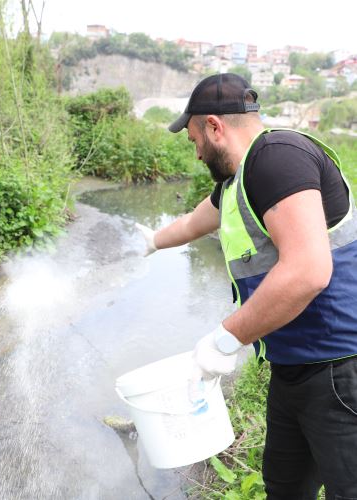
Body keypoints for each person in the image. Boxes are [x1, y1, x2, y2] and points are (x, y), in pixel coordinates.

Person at [136, 73, 357, 499]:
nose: (197, 153)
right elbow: (189, 224)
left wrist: (226, 339)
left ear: (215, 126)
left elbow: (309, 270)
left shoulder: (278, 158)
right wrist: (149, 243)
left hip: (340, 367)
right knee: (285, 487)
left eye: (195, 139)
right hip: (294, 369)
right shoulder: (237, 182)